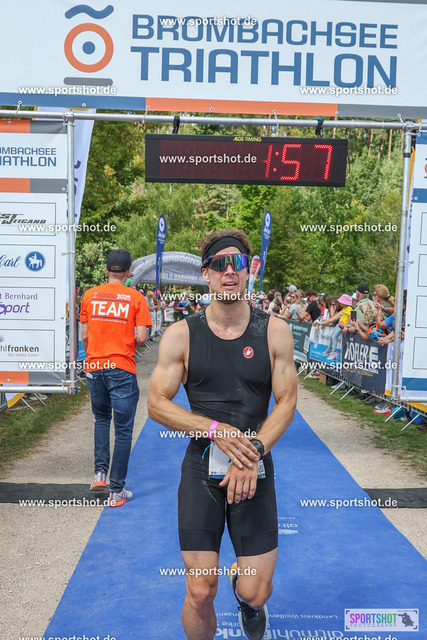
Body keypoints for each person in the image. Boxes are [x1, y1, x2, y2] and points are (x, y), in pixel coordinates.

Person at [147, 229, 297, 640]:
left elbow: (286, 402)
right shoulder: (182, 334)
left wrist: (252, 451)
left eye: (238, 264)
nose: (229, 272)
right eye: (219, 265)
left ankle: (244, 593)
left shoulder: (275, 331)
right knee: (199, 590)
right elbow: (157, 403)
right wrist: (215, 429)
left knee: (256, 592)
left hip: (254, 466)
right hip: (202, 467)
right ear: (206, 274)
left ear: (249, 271)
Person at [80, 249, 152, 507]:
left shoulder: (89, 295)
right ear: (129, 272)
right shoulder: (135, 297)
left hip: (95, 366)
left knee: (101, 419)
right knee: (123, 431)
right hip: (121, 367)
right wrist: (125, 343)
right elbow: (142, 336)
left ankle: (99, 474)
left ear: (106, 270)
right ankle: (117, 490)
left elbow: (85, 336)